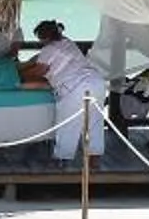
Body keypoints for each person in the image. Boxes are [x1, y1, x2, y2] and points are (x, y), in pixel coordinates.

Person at [16, 19, 109, 162]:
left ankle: (63, 160)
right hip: (96, 81)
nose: (40, 42)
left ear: (44, 37)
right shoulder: (68, 42)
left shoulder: (49, 48)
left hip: (76, 86)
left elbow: (40, 70)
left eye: (40, 39)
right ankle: (94, 162)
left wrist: (18, 76)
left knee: (68, 125)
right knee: (94, 122)